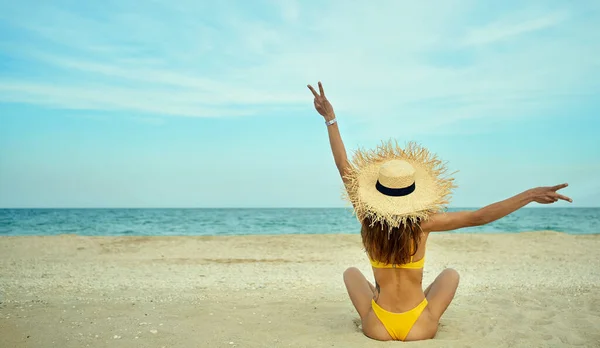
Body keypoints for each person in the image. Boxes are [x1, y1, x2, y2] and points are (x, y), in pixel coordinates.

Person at [307, 81, 573, 341]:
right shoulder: (423, 224)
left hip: (377, 326)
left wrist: (330, 118)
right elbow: (479, 217)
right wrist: (530, 195)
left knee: (351, 273)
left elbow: (343, 164)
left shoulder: (367, 218)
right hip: (420, 326)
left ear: (377, 193)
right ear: (412, 193)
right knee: (450, 275)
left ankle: (380, 304)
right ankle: (409, 306)